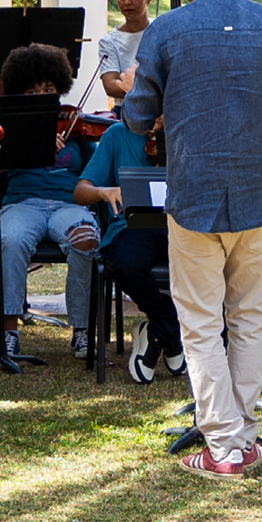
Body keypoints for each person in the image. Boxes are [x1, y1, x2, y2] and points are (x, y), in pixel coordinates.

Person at [124, 0, 262, 479]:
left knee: (201, 323)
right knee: (251, 319)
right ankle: (241, 435)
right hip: (260, 193)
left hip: (195, 194)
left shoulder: (165, 32)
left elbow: (136, 117)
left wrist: (138, 92)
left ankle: (226, 445)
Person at [0, 42, 100, 372]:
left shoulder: (73, 123)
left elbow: (94, 170)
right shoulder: (10, 128)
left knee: (86, 240)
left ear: (59, 88)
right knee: (11, 240)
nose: (42, 96)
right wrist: (29, 138)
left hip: (68, 204)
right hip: (23, 203)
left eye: (48, 89)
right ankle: (8, 331)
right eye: (33, 91)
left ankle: (80, 329)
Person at [73, 110, 185, 383]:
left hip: (183, 226)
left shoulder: (187, 130)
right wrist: (103, 192)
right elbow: (80, 191)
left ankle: (156, 332)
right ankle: (172, 332)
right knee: (127, 263)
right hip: (131, 227)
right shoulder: (118, 134)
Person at [97, 0, 154, 99]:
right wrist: (144, 91)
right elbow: (110, 85)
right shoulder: (109, 42)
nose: (127, 2)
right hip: (125, 109)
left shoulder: (161, 29)